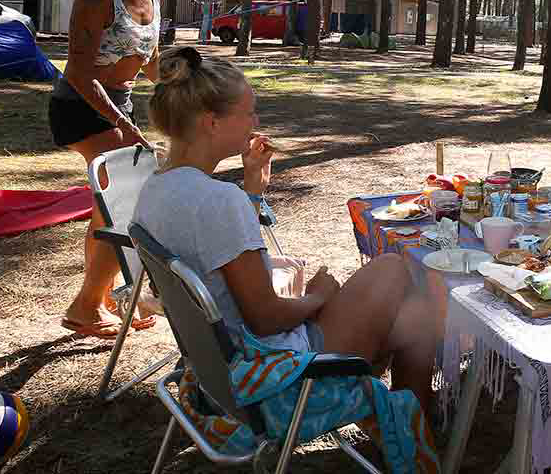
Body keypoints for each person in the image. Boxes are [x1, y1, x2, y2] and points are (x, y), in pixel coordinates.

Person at [132, 46, 440, 417]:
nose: (254, 121)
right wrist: (318, 297)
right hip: (274, 376)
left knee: (415, 314)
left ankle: (415, 417)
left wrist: (253, 190)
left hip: (217, 368)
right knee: (393, 267)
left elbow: (209, 241)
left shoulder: (155, 188)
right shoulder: (219, 200)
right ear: (211, 122)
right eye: (248, 113)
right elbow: (265, 317)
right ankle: (411, 425)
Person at [49, 0, 179, 339]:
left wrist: (189, 87)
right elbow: (80, 73)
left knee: (106, 209)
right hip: (81, 105)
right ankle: (85, 307)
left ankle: (100, 299)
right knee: (126, 202)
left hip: (117, 104)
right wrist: (121, 122)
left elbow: (152, 64)